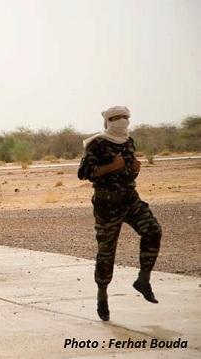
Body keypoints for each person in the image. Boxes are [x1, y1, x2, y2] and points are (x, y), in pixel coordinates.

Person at [78, 106, 162, 321]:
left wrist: (134, 169)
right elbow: (84, 173)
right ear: (107, 121)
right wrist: (111, 167)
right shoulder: (97, 143)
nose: (121, 121)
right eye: (116, 118)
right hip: (106, 204)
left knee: (153, 230)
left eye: (125, 117)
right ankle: (102, 295)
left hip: (130, 199)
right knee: (107, 251)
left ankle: (143, 280)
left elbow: (127, 170)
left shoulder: (129, 141)